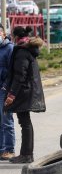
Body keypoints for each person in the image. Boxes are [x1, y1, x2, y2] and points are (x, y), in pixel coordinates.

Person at [4, 26, 45, 164]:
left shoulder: (22, 52)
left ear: (15, 37)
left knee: (25, 123)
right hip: (27, 90)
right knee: (26, 123)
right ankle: (27, 154)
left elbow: (20, 76)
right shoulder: (27, 50)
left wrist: (11, 95)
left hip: (24, 92)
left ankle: (26, 154)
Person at [0, 25, 15, 161]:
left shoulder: (9, 48)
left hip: (4, 90)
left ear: (4, 34)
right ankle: (1, 150)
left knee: (6, 120)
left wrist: (6, 87)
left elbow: (12, 71)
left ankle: (9, 149)